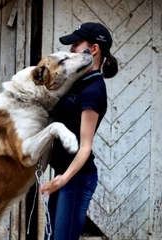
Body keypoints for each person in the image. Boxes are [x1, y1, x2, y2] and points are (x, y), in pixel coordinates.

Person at [39, 22, 118, 240]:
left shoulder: (93, 91)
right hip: (63, 175)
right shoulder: (77, 82)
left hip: (75, 178)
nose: (71, 49)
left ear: (94, 49)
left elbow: (85, 147)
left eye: (76, 44)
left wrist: (62, 180)